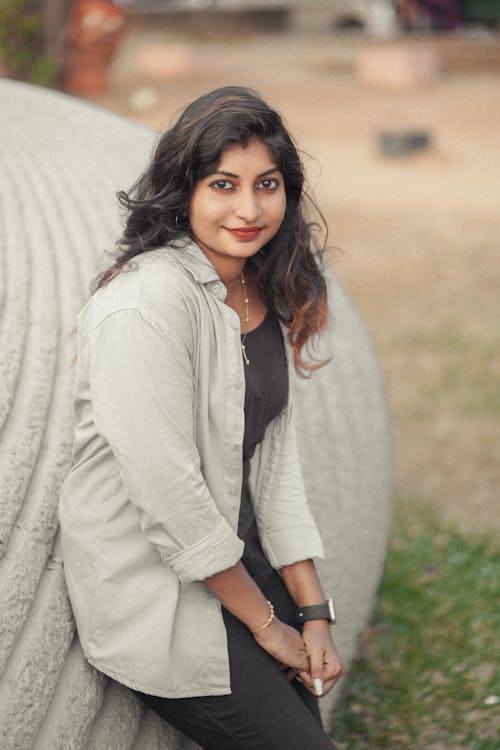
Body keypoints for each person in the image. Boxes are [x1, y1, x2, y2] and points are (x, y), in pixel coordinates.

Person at [59, 85, 344, 750]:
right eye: (223, 184)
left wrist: (314, 613)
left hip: (248, 572)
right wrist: (269, 627)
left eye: (267, 185)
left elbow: (274, 467)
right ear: (182, 190)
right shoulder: (143, 306)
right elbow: (170, 497)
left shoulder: (258, 288)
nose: (249, 209)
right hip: (168, 594)